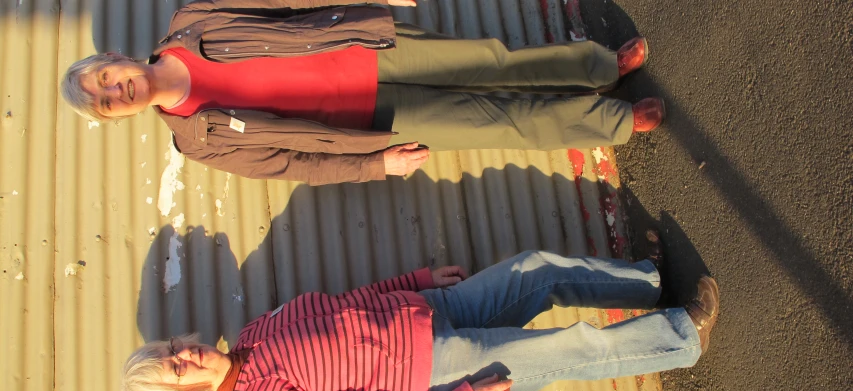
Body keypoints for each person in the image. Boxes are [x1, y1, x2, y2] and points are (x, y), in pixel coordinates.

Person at [122, 250, 719, 391]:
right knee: (574, 348)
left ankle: (647, 283)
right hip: (439, 368)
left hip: (433, 311)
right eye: (178, 369)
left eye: (174, 349)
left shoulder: (251, 336)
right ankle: (683, 335)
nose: (188, 354)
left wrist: (416, 281)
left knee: (534, 272)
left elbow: (341, 303)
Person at [61, 0, 666, 186]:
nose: (116, 90)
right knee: (495, 123)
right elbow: (290, 165)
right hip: (372, 117)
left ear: (114, 60)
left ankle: (599, 64)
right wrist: (377, 162)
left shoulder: (195, 18)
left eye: (106, 79)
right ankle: (612, 121)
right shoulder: (197, 138)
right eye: (108, 100)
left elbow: (286, 3)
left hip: (364, 46)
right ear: (120, 115)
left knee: (491, 59)